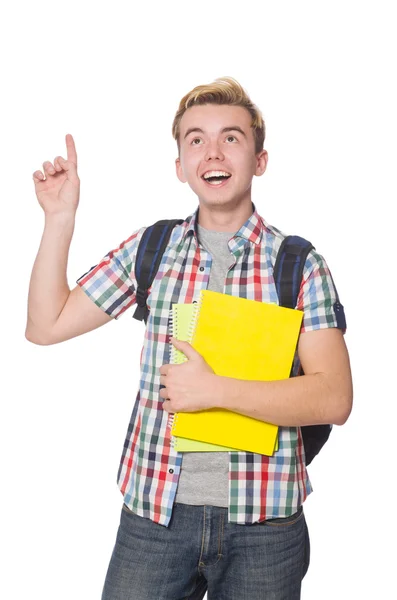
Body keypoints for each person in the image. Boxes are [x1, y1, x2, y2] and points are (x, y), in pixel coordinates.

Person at [26, 75, 353, 600]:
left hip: (264, 525)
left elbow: (334, 397)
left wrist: (215, 391)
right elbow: (46, 325)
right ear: (180, 166)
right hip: (154, 516)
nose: (213, 151)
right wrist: (59, 218)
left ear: (259, 160)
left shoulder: (297, 264)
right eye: (195, 139)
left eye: (232, 137)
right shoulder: (152, 248)